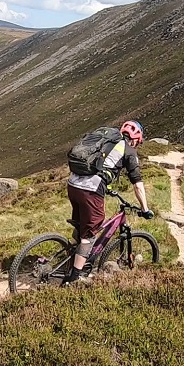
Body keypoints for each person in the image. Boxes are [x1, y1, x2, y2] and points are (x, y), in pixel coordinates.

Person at [65, 120, 154, 285]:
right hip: (90, 189)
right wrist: (145, 208)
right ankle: (74, 278)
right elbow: (138, 185)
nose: (136, 145)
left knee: (80, 226)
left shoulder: (108, 140)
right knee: (89, 233)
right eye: (138, 142)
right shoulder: (129, 150)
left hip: (72, 183)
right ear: (135, 139)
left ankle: (68, 260)